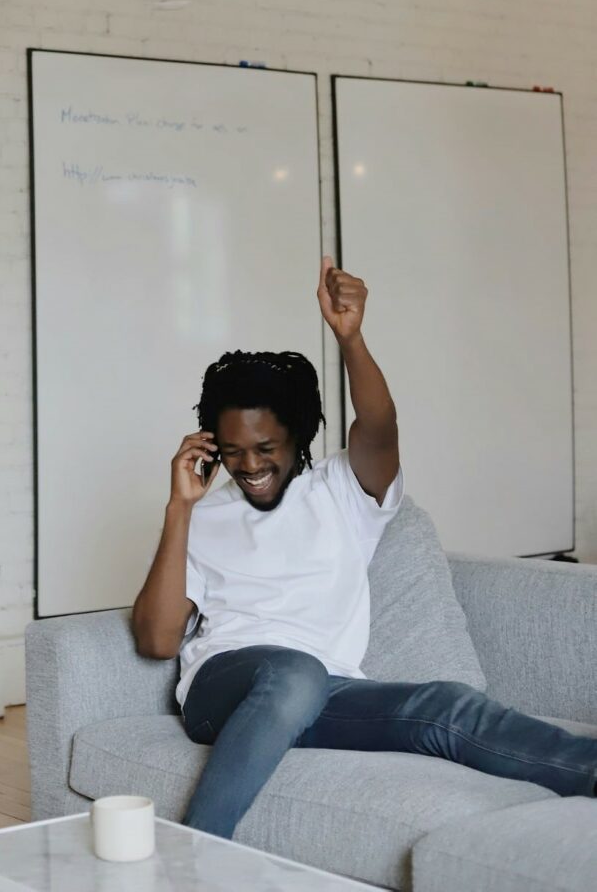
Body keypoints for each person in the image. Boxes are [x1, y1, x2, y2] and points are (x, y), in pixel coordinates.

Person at [132, 256, 597, 840]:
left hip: (326, 691)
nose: (249, 465)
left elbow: (379, 427)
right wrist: (179, 509)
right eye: (232, 450)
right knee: (293, 671)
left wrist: (349, 337)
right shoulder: (202, 515)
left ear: (299, 435)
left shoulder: (340, 491)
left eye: (266, 446)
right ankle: (192, 853)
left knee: (447, 707)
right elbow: (155, 641)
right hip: (223, 690)